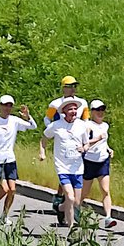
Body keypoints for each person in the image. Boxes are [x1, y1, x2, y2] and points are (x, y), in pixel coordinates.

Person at [0, 95, 36, 223]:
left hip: (10, 159)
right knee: (4, 189)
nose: (7, 108)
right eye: (5, 105)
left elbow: (33, 126)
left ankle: (4, 216)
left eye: (10, 105)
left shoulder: (14, 121)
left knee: (12, 190)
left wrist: (28, 116)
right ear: (0, 106)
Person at [40, 76, 88, 210]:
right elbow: (47, 118)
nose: (72, 89)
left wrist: (85, 135)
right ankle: (61, 197)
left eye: (74, 86)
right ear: (63, 88)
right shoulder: (55, 104)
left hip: (77, 139)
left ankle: (69, 203)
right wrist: (56, 130)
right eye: (69, 86)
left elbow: (86, 119)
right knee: (64, 169)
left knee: (75, 171)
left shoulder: (82, 103)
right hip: (62, 140)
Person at [82, 99, 117, 229]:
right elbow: (84, 143)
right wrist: (97, 139)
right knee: (84, 192)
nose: (100, 112)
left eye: (102, 110)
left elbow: (104, 141)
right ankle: (71, 208)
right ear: (92, 112)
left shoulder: (105, 126)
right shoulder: (87, 125)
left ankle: (108, 217)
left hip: (103, 161)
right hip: (89, 161)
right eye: (98, 110)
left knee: (105, 190)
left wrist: (108, 149)